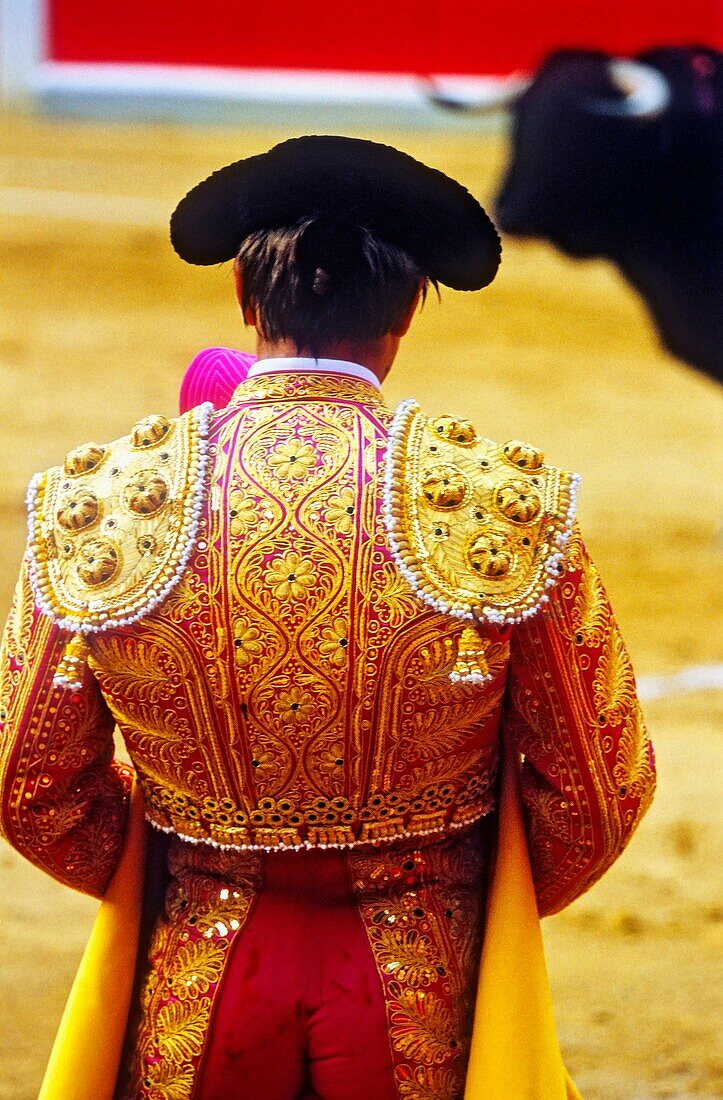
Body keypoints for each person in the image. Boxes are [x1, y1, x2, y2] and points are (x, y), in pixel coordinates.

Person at [0, 136, 655, 1100]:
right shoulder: (495, 505)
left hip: (199, 967)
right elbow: (597, 794)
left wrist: (173, 876)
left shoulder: (106, 504)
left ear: (243, 296)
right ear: (405, 315)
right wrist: (470, 892)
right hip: (422, 969)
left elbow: (30, 785)